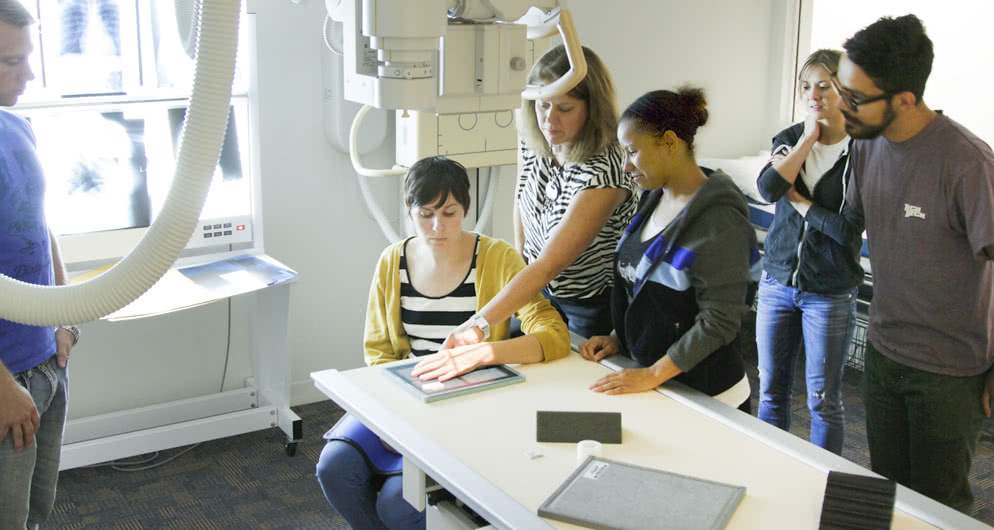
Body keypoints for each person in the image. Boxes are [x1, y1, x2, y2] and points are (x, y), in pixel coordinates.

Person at [315, 157, 569, 530]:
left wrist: (483, 353)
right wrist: (393, 417)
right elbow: (378, 352)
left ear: (466, 208)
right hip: (404, 395)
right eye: (426, 214)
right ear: (409, 211)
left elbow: (554, 336)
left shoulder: (497, 259)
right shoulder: (392, 262)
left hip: (469, 403)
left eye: (449, 213)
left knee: (397, 504)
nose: (437, 227)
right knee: (333, 467)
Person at [834, 14, 994, 513]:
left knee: (940, 505)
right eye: (843, 89)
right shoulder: (864, 143)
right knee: (888, 494)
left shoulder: (968, 163)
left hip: (948, 371)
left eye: (855, 98)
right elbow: (851, 222)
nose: (842, 106)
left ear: (906, 99)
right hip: (885, 353)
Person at [578, 87, 758, 410]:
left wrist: (652, 374)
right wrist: (619, 337)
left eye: (632, 152)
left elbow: (719, 321)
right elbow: (644, 284)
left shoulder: (721, 221)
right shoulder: (654, 199)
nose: (626, 166)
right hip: (662, 383)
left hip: (709, 396)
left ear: (671, 143)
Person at [443, 44, 636, 346]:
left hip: (590, 302)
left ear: (592, 109)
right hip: (537, 283)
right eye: (543, 105)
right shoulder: (535, 136)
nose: (549, 120)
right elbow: (522, 199)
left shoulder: (605, 169)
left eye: (565, 108)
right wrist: (520, 263)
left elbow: (550, 264)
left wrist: (478, 323)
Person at [754, 49, 863, 455]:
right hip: (777, 281)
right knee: (771, 391)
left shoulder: (861, 151)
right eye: (805, 87)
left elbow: (847, 232)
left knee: (823, 401)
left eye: (823, 85)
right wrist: (806, 139)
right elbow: (767, 190)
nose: (813, 94)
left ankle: (824, 485)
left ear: (844, 91)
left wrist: (799, 201)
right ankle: (772, 470)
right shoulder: (788, 139)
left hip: (829, 291)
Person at [0, 1, 80, 528]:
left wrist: (65, 315)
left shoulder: (16, 126)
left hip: (45, 359)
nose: (29, 74)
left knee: (35, 511)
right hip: (4, 377)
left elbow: (39, 219)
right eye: (11, 61)